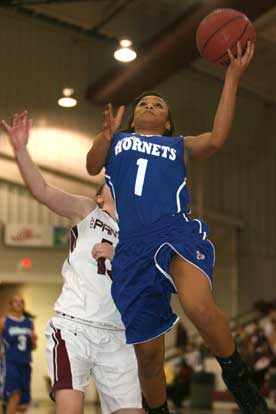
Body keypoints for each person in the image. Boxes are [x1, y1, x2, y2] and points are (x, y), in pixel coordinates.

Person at [86, 41, 268, 414]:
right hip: (132, 249)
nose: (150, 106)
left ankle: (248, 395)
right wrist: (103, 137)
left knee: (197, 306)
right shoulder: (117, 140)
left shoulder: (178, 145)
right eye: (143, 104)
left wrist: (232, 77)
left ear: (167, 122)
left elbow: (217, 139)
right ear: (133, 119)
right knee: (150, 359)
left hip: (174, 233)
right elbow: (91, 166)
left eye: (158, 105)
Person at [1, 113, 143, 414]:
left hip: (118, 333)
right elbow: (42, 190)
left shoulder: (138, 232)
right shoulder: (88, 211)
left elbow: (151, 276)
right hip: (73, 328)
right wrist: (21, 150)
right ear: (99, 195)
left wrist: (119, 254)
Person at [0, 295, 37, 414]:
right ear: (10, 305)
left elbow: (33, 347)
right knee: (14, 394)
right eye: (15, 301)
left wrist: (33, 340)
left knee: (23, 406)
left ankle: (5, 407)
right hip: (10, 362)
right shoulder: (4, 321)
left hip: (25, 363)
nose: (19, 303)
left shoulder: (29, 322)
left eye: (22, 301)